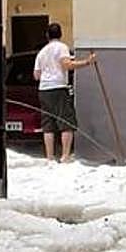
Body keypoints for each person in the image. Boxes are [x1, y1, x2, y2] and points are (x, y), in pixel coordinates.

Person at [33, 23, 97, 162]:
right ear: (60, 34)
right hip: (58, 87)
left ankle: (49, 157)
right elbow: (67, 65)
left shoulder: (42, 52)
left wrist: (47, 73)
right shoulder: (62, 47)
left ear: (47, 35)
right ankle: (65, 156)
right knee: (66, 122)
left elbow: (36, 75)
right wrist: (87, 62)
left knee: (48, 124)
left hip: (43, 90)